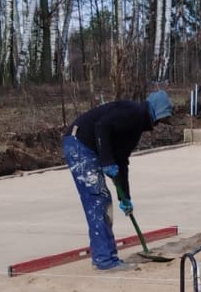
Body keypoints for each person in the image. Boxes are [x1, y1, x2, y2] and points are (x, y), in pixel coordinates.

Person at [63, 91, 172, 271]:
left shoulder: (135, 128)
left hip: (86, 146)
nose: (159, 124)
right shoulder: (133, 113)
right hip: (79, 144)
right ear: (155, 112)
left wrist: (125, 197)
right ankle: (104, 259)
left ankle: (105, 255)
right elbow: (102, 126)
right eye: (160, 120)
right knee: (98, 200)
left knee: (102, 199)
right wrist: (106, 160)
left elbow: (122, 160)